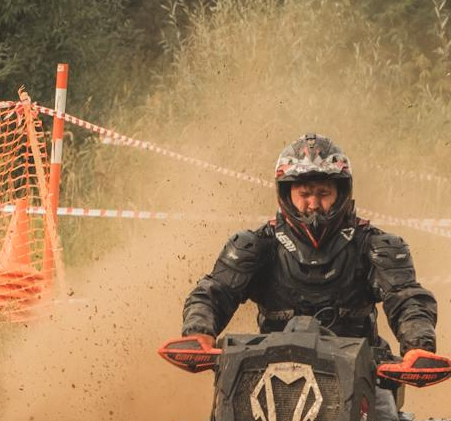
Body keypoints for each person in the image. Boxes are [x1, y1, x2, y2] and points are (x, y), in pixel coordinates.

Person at [179, 133, 437, 359]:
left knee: (385, 414)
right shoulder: (255, 246)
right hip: (266, 374)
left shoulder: (375, 246)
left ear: (341, 193)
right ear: (287, 195)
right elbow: (214, 292)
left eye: (323, 193)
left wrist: (418, 346)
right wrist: (199, 332)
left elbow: (407, 299)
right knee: (217, 414)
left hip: (364, 379)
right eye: (304, 194)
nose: (313, 204)